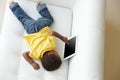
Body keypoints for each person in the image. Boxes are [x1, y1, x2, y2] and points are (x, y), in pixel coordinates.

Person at [9, 0, 68, 71]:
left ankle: (39, 6)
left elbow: (53, 33)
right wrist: (32, 63)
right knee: (23, 18)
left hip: (41, 26)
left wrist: (62, 38)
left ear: (51, 53)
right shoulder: (36, 55)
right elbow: (25, 54)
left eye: (57, 55)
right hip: (31, 30)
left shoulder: (51, 46)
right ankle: (13, 5)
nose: (57, 53)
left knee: (49, 19)